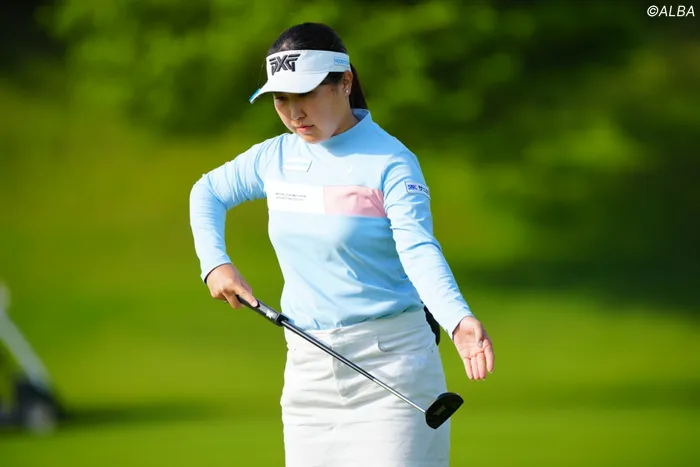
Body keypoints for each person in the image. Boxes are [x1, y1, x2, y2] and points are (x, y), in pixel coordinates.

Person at [189, 22, 495, 467]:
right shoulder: (275, 157)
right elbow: (207, 192)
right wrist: (214, 263)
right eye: (281, 99)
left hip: (393, 368)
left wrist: (457, 319)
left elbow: (418, 249)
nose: (294, 113)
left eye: (305, 94)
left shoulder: (391, 162)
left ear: (345, 82)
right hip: (308, 375)